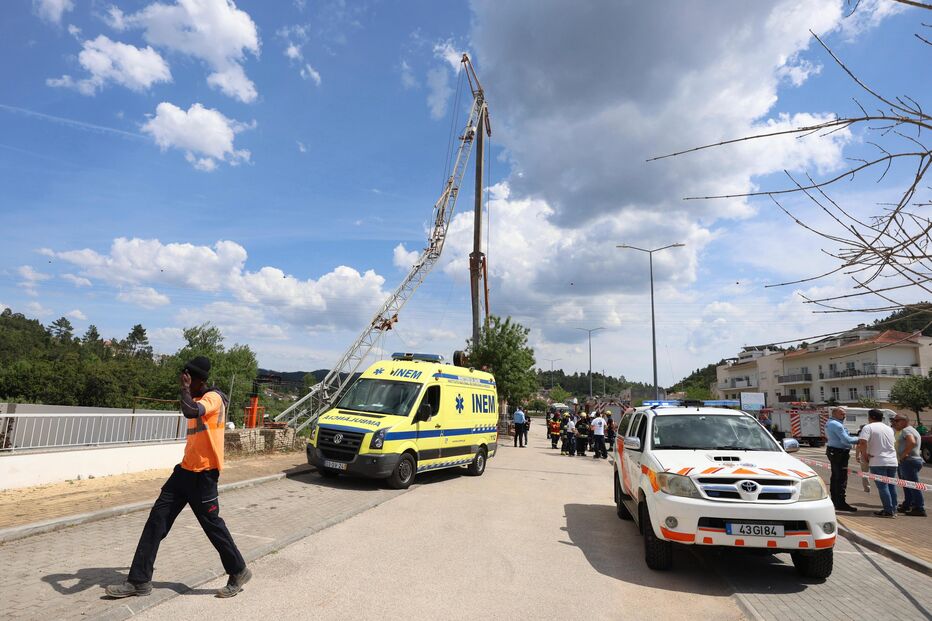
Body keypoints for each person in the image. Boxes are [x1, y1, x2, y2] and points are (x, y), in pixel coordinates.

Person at [106, 357, 252, 599]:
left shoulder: (213, 399)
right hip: (184, 472)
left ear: (199, 381)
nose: (184, 383)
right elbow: (189, 407)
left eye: (188, 379)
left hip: (205, 475)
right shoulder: (194, 397)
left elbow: (190, 411)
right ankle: (139, 581)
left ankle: (238, 570)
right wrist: (186, 390)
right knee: (156, 522)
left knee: (213, 526)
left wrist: (184, 390)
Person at [857, 409, 899, 518]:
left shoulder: (868, 427)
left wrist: (865, 455)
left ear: (871, 417)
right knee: (891, 485)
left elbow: (862, 442)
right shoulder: (889, 428)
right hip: (892, 461)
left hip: (878, 461)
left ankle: (888, 511)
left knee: (882, 487)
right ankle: (893, 508)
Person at [825, 407, 859, 512]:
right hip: (839, 453)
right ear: (834, 414)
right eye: (841, 414)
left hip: (834, 451)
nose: (844, 416)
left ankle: (835, 501)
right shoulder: (837, 425)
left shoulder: (830, 422)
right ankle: (840, 503)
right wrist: (860, 439)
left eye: (844, 414)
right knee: (841, 478)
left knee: (835, 477)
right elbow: (846, 439)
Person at [892, 413, 926, 517]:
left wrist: (903, 455)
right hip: (910, 461)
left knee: (913, 485)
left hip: (909, 461)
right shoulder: (909, 429)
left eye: (897, 421)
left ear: (904, 421)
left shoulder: (907, 430)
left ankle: (919, 508)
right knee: (907, 485)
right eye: (894, 420)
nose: (894, 423)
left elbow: (912, 442)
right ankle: (908, 504)